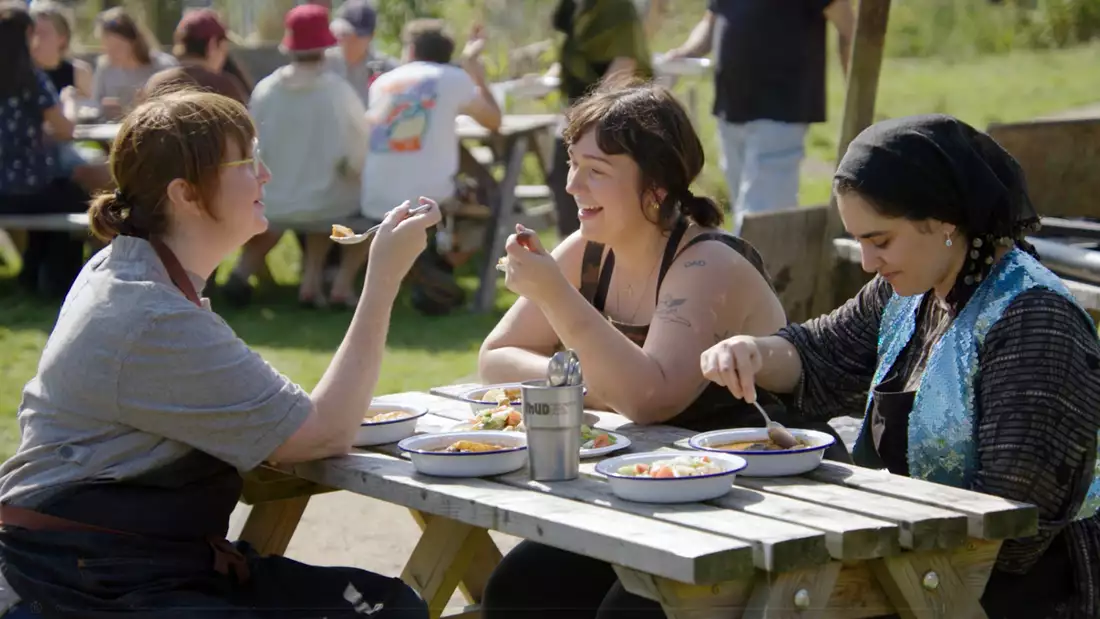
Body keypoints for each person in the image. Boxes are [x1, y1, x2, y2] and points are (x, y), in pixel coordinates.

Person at [0, 89, 438, 619]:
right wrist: (382, 278)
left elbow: (284, 422)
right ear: (185, 194)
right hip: (80, 580)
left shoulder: (136, 273)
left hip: (145, 563)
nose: (266, 175)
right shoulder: (148, 313)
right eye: (247, 162)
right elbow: (321, 434)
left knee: (389, 608)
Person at [700, 114, 1100, 619]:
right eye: (859, 240)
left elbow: (1015, 526)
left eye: (880, 240)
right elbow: (820, 354)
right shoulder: (907, 291)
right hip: (912, 562)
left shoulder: (1034, 321)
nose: (867, 261)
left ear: (944, 220)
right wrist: (752, 353)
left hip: (1009, 590)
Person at [477, 80, 849, 618]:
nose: (573, 185)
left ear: (655, 189)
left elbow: (650, 399)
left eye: (597, 171)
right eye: (572, 163)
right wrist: (598, 380)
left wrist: (555, 297)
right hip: (649, 490)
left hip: (761, 503)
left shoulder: (706, 264)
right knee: (519, 592)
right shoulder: (586, 251)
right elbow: (495, 359)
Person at [664, 0, 854, 234]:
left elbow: (849, 29)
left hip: (781, 110)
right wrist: (684, 53)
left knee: (762, 215)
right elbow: (710, 23)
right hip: (731, 108)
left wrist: (857, 93)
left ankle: (756, 268)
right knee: (743, 211)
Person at [360, 18, 501, 315]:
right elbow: (494, 121)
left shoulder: (384, 82)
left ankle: (431, 272)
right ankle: (442, 270)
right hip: (429, 198)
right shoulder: (452, 78)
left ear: (410, 50)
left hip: (373, 195)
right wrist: (474, 68)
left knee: (461, 177)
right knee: (489, 197)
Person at [245, 3, 372, 309]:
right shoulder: (337, 91)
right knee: (356, 202)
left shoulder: (265, 90)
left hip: (273, 200)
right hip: (327, 200)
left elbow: (250, 142)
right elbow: (361, 147)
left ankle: (307, 282)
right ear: (325, 47)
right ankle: (332, 282)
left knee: (318, 195)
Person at [0, 1, 87, 299]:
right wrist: (70, 103)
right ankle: (60, 280)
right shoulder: (30, 77)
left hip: (3, 193)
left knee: (54, 195)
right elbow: (65, 130)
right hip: (29, 189)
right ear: (26, 33)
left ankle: (30, 271)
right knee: (77, 196)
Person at [548, 0, 653, 238]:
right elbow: (576, 55)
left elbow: (624, 66)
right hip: (578, 115)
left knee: (606, 193)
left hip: (613, 118)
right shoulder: (574, 7)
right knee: (564, 182)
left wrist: (590, 116)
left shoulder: (616, 7)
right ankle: (575, 258)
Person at [141, 8, 250, 106]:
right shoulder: (224, 87)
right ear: (212, 44)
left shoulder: (155, 85)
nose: (225, 54)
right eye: (224, 47)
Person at [90, 6, 177, 119]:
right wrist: (103, 109)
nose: (111, 54)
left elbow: (176, 107)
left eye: (118, 47)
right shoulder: (104, 68)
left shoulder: (163, 66)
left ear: (134, 42)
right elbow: (94, 105)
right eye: (107, 48)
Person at [325, 0, 398, 106]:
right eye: (344, 34)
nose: (348, 41)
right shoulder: (323, 65)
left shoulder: (388, 71)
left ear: (371, 36)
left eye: (357, 37)